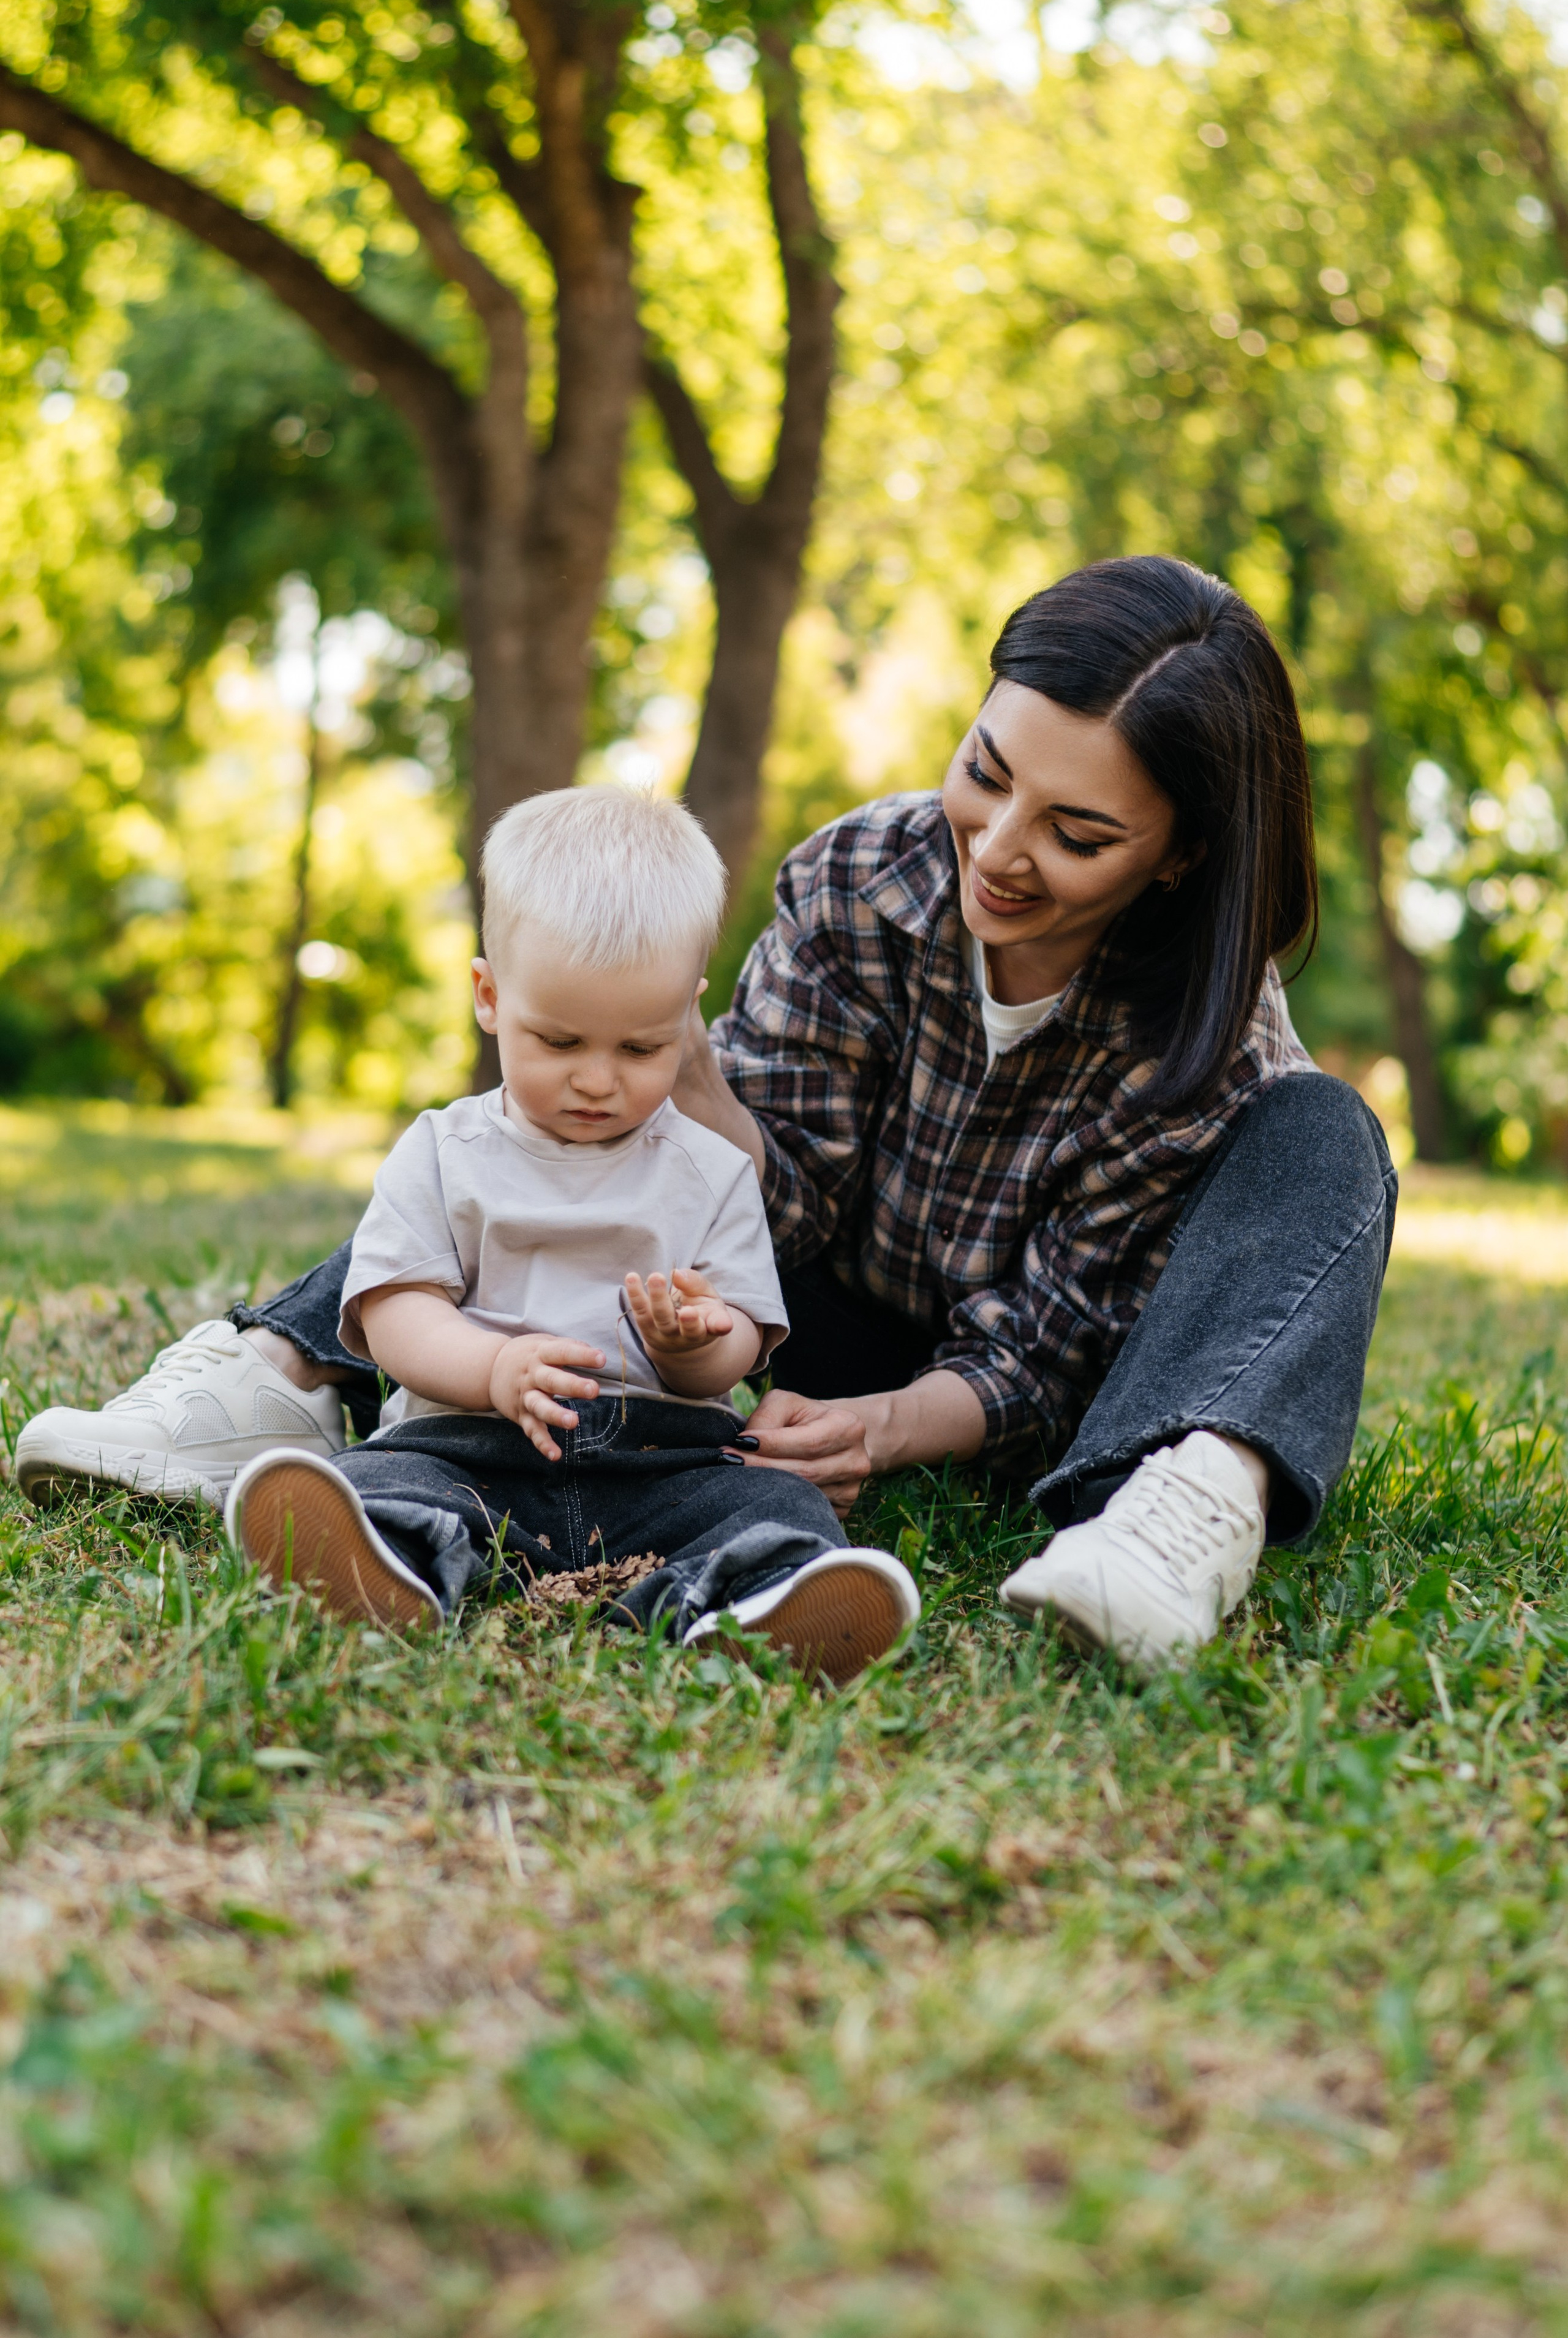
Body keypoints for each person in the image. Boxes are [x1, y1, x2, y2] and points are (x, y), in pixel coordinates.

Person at [19, 556, 1396, 1672]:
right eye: (985, 771)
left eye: (1076, 835)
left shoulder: (1210, 1034)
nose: (995, 846)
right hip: (778, 1296)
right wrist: (670, 1073)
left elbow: (1056, 1333)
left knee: (1322, 1131)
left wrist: (892, 1427)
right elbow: (765, 1198)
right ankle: (282, 1383)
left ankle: (1181, 1500)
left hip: (1004, 1396)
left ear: (1181, 855)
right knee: (543, 1129)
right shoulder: (861, 877)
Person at [222, 787, 921, 1681]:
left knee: (777, 1504)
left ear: (688, 1015)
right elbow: (396, 1315)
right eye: (558, 1041)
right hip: (468, 1442)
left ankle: (741, 1607)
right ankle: (389, 1567)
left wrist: (696, 1344)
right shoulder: (444, 1150)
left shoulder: (712, 1171)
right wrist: (492, 1370)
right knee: (383, 1483)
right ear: (488, 996)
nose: (598, 1081)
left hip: (665, 1459)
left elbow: (740, 1350)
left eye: (641, 1049)